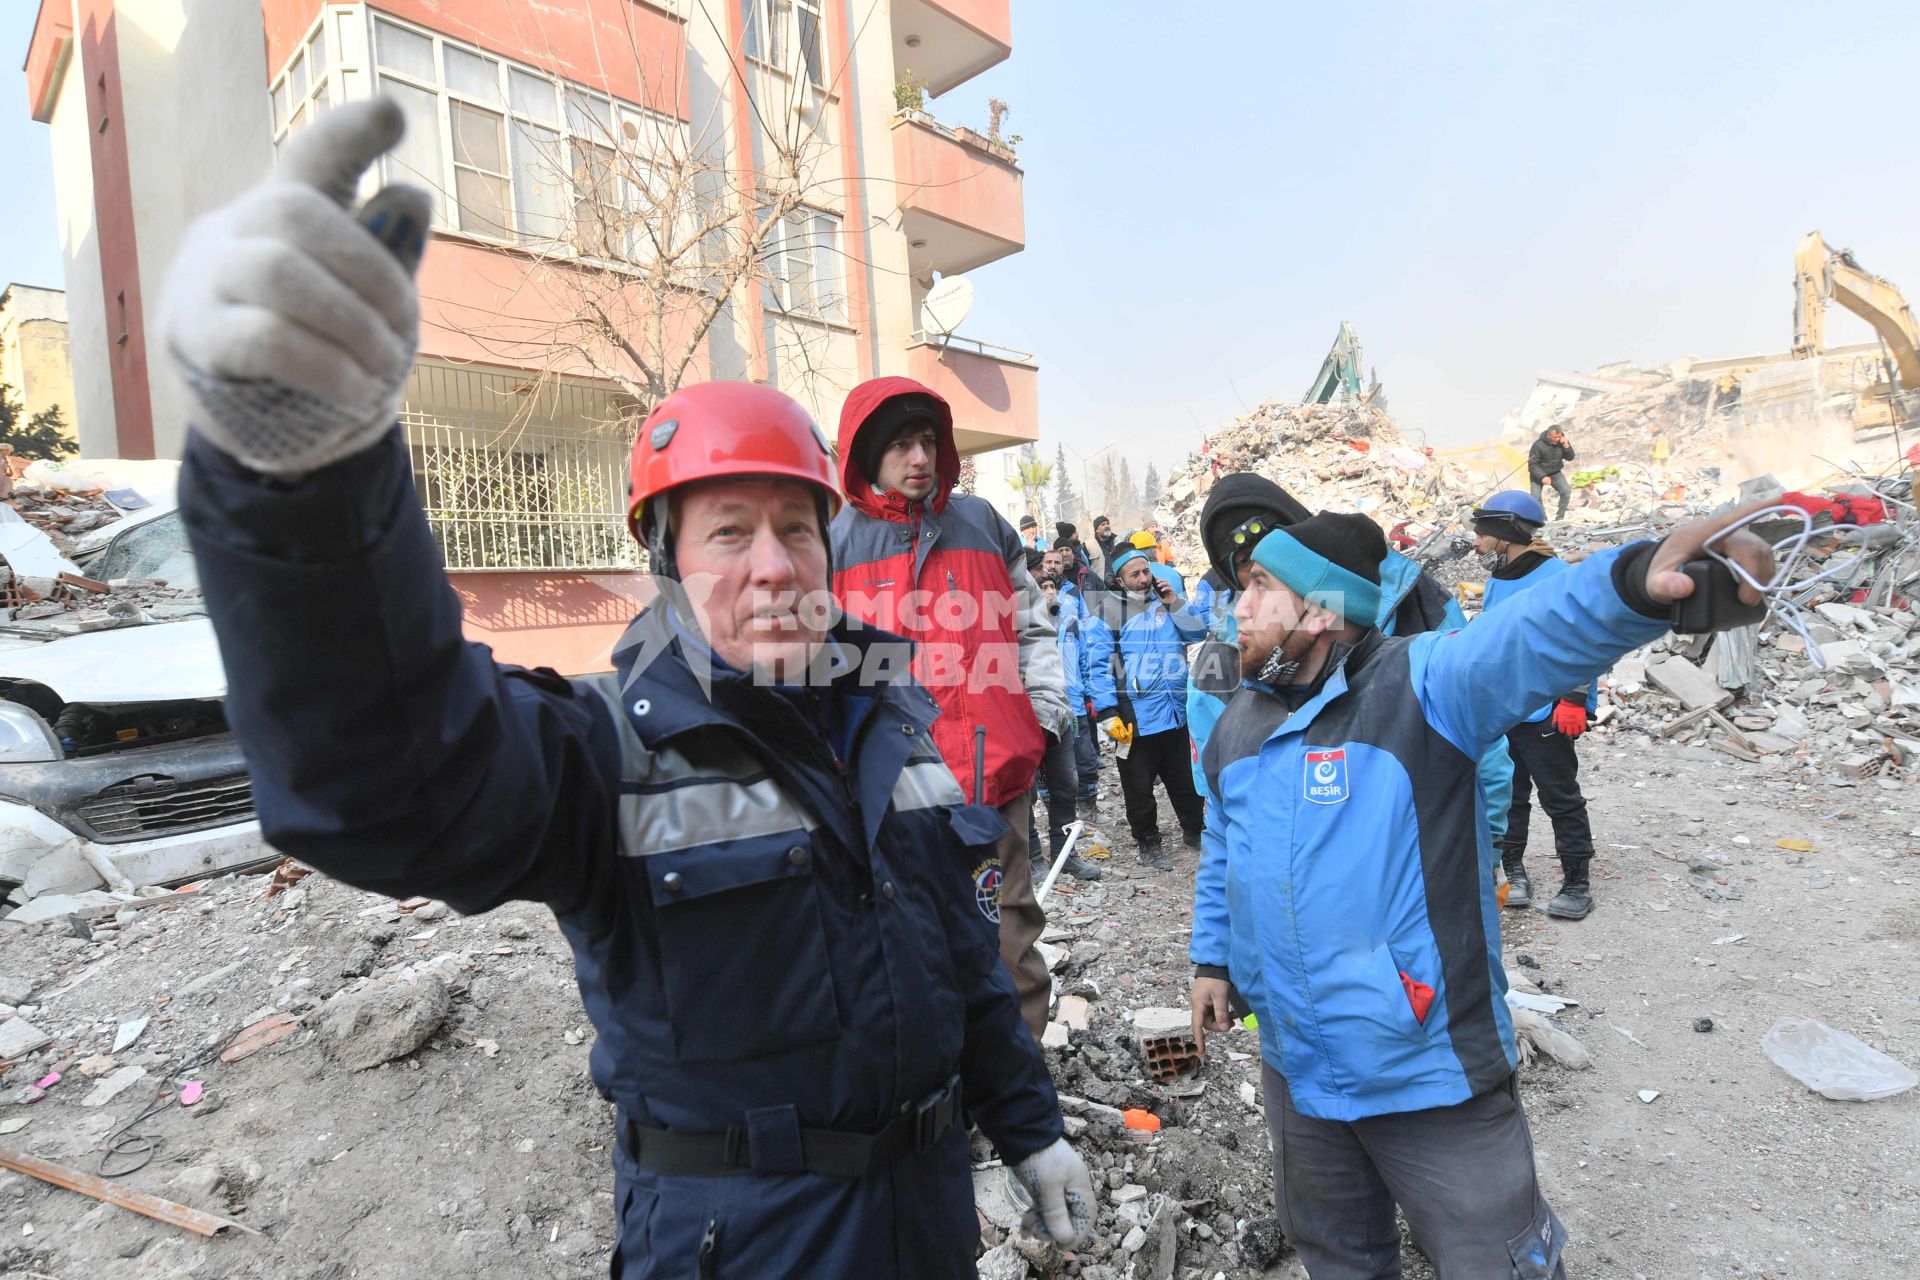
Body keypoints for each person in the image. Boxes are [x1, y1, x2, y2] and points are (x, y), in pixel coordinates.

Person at [160, 101, 1096, 1275]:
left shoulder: (891, 725)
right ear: (666, 560)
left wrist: (1029, 1124)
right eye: (729, 532)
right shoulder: (605, 749)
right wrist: (292, 481)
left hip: (925, 1224)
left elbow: (961, 960)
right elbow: (381, 778)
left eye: (798, 529)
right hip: (743, 1242)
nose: (772, 563)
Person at [1187, 498, 1772, 1280]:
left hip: (1425, 1065)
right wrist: (1212, 962)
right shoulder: (1240, 724)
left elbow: (1526, 638)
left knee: (1495, 1261)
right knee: (1335, 1251)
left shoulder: (1421, 688)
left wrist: (1635, 584)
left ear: (1321, 609)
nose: (1239, 606)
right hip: (1295, 1063)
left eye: (1259, 585)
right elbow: (1225, 848)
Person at [829, 375, 1075, 1040]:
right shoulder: (834, 544)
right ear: (868, 457)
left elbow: (1030, 625)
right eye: (901, 445)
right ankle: (942, 1090)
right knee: (909, 941)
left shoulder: (984, 524)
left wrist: (1043, 714)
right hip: (893, 791)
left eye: (928, 442)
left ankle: (1021, 1087)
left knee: (1011, 933)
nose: (919, 459)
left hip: (996, 772)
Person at [1183, 475, 1512, 849]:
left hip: (1426, 848)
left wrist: (1489, 843)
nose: (1269, 561)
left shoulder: (1410, 596)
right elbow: (1223, 801)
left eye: (1277, 540)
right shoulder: (1229, 655)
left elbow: (1476, 719)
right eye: (1247, 563)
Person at [1472, 491, 1600, 919]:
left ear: (1506, 533)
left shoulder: (1557, 577)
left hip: (1546, 709)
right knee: (1511, 796)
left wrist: (1574, 698)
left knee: (1560, 796)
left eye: (1483, 533)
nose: (1476, 542)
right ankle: (1514, 871)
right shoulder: (1498, 581)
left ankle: (1577, 883)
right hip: (1505, 708)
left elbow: (1584, 639)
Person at [1084, 545, 1207, 871]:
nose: (1143, 579)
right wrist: (1107, 712)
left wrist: (1174, 603)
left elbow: (1198, 632)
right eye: (1134, 574)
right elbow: (1098, 668)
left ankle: (1194, 831)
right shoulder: (1106, 613)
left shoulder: (1165, 604)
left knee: (1185, 780)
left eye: (1146, 572)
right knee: (1138, 787)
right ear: (1120, 580)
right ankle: (1148, 842)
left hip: (1174, 710)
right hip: (1132, 718)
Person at [1032, 571, 1102, 881]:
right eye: (1040, 586)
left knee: (1066, 784)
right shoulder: (1006, 620)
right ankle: (1032, 858)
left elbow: (1085, 662)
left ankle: (1065, 855)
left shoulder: (1068, 622)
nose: (1047, 592)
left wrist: (1087, 701)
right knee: (1023, 792)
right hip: (1022, 716)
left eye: (1051, 586)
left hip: (1061, 712)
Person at [1528, 425, 1577, 520]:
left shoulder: (1562, 441)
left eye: (1559, 436)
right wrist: (1543, 477)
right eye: (1555, 437)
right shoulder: (1538, 445)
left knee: (1566, 491)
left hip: (1555, 472)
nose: (1558, 439)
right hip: (1538, 474)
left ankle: (1560, 517)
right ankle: (1543, 520)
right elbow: (1533, 464)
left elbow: (1570, 458)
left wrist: (1566, 446)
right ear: (1548, 435)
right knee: (1535, 498)